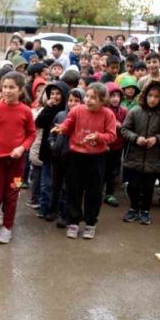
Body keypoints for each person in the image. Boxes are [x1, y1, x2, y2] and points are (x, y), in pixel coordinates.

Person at [52, 83, 116, 240]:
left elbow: (112, 135)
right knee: (74, 190)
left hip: (96, 158)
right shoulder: (77, 110)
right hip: (76, 156)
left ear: (102, 100)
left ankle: (90, 223)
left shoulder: (108, 114)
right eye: (87, 96)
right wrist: (62, 128)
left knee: (94, 192)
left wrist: (99, 137)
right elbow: (68, 124)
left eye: (93, 97)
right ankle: (73, 222)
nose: (88, 100)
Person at [0, 71, 36, 244]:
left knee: (12, 194)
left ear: (20, 90)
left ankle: (7, 228)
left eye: (12, 87)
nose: (7, 90)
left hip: (17, 163)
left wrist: (22, 148)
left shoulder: (26, 111)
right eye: (5, 87)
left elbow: (31, 134)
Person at [120, 81, 160, 225]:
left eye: (156, 96)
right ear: (145, 95)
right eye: (150, 95)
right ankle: (133, 208)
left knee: (149, 187)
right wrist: (136, 138)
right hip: (134, 157)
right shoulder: (135, 111)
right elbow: (124, 129)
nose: (152, 99)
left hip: (153, 158)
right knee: (133, 185)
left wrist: (156, 139)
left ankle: (145, 210)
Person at [48, 87, 85, 227]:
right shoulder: (60, 115)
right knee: (55, 185)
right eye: (70, 100)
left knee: (69, 188)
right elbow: (52, 132)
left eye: (77, 101)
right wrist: (52, 144)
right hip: (58, 156)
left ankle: (66, 215)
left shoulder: (84, 117)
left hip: (74, 158)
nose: (73, 103)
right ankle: (53, 211)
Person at [35, 81, 69, 218]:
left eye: (58, 93)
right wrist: (48, 108)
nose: (54, 96)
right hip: (47, 152)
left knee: (59, 184)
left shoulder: (66, 112)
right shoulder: (47, 109)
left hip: (61, 153)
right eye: (52, 93)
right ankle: (44, 207)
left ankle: (58, 208)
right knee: (46, 183)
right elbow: (38, 123)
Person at [102, 82, 128, 207]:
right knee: (101, 170)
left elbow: (127, 127)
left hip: (117, 146)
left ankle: (109, 193)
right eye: (112, 96)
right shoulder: (102, 110)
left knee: (113, 171)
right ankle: (97, 192)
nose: (115, 99)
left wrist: (121, 126)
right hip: (103, 147)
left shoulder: (124, 111)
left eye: (118, 96)